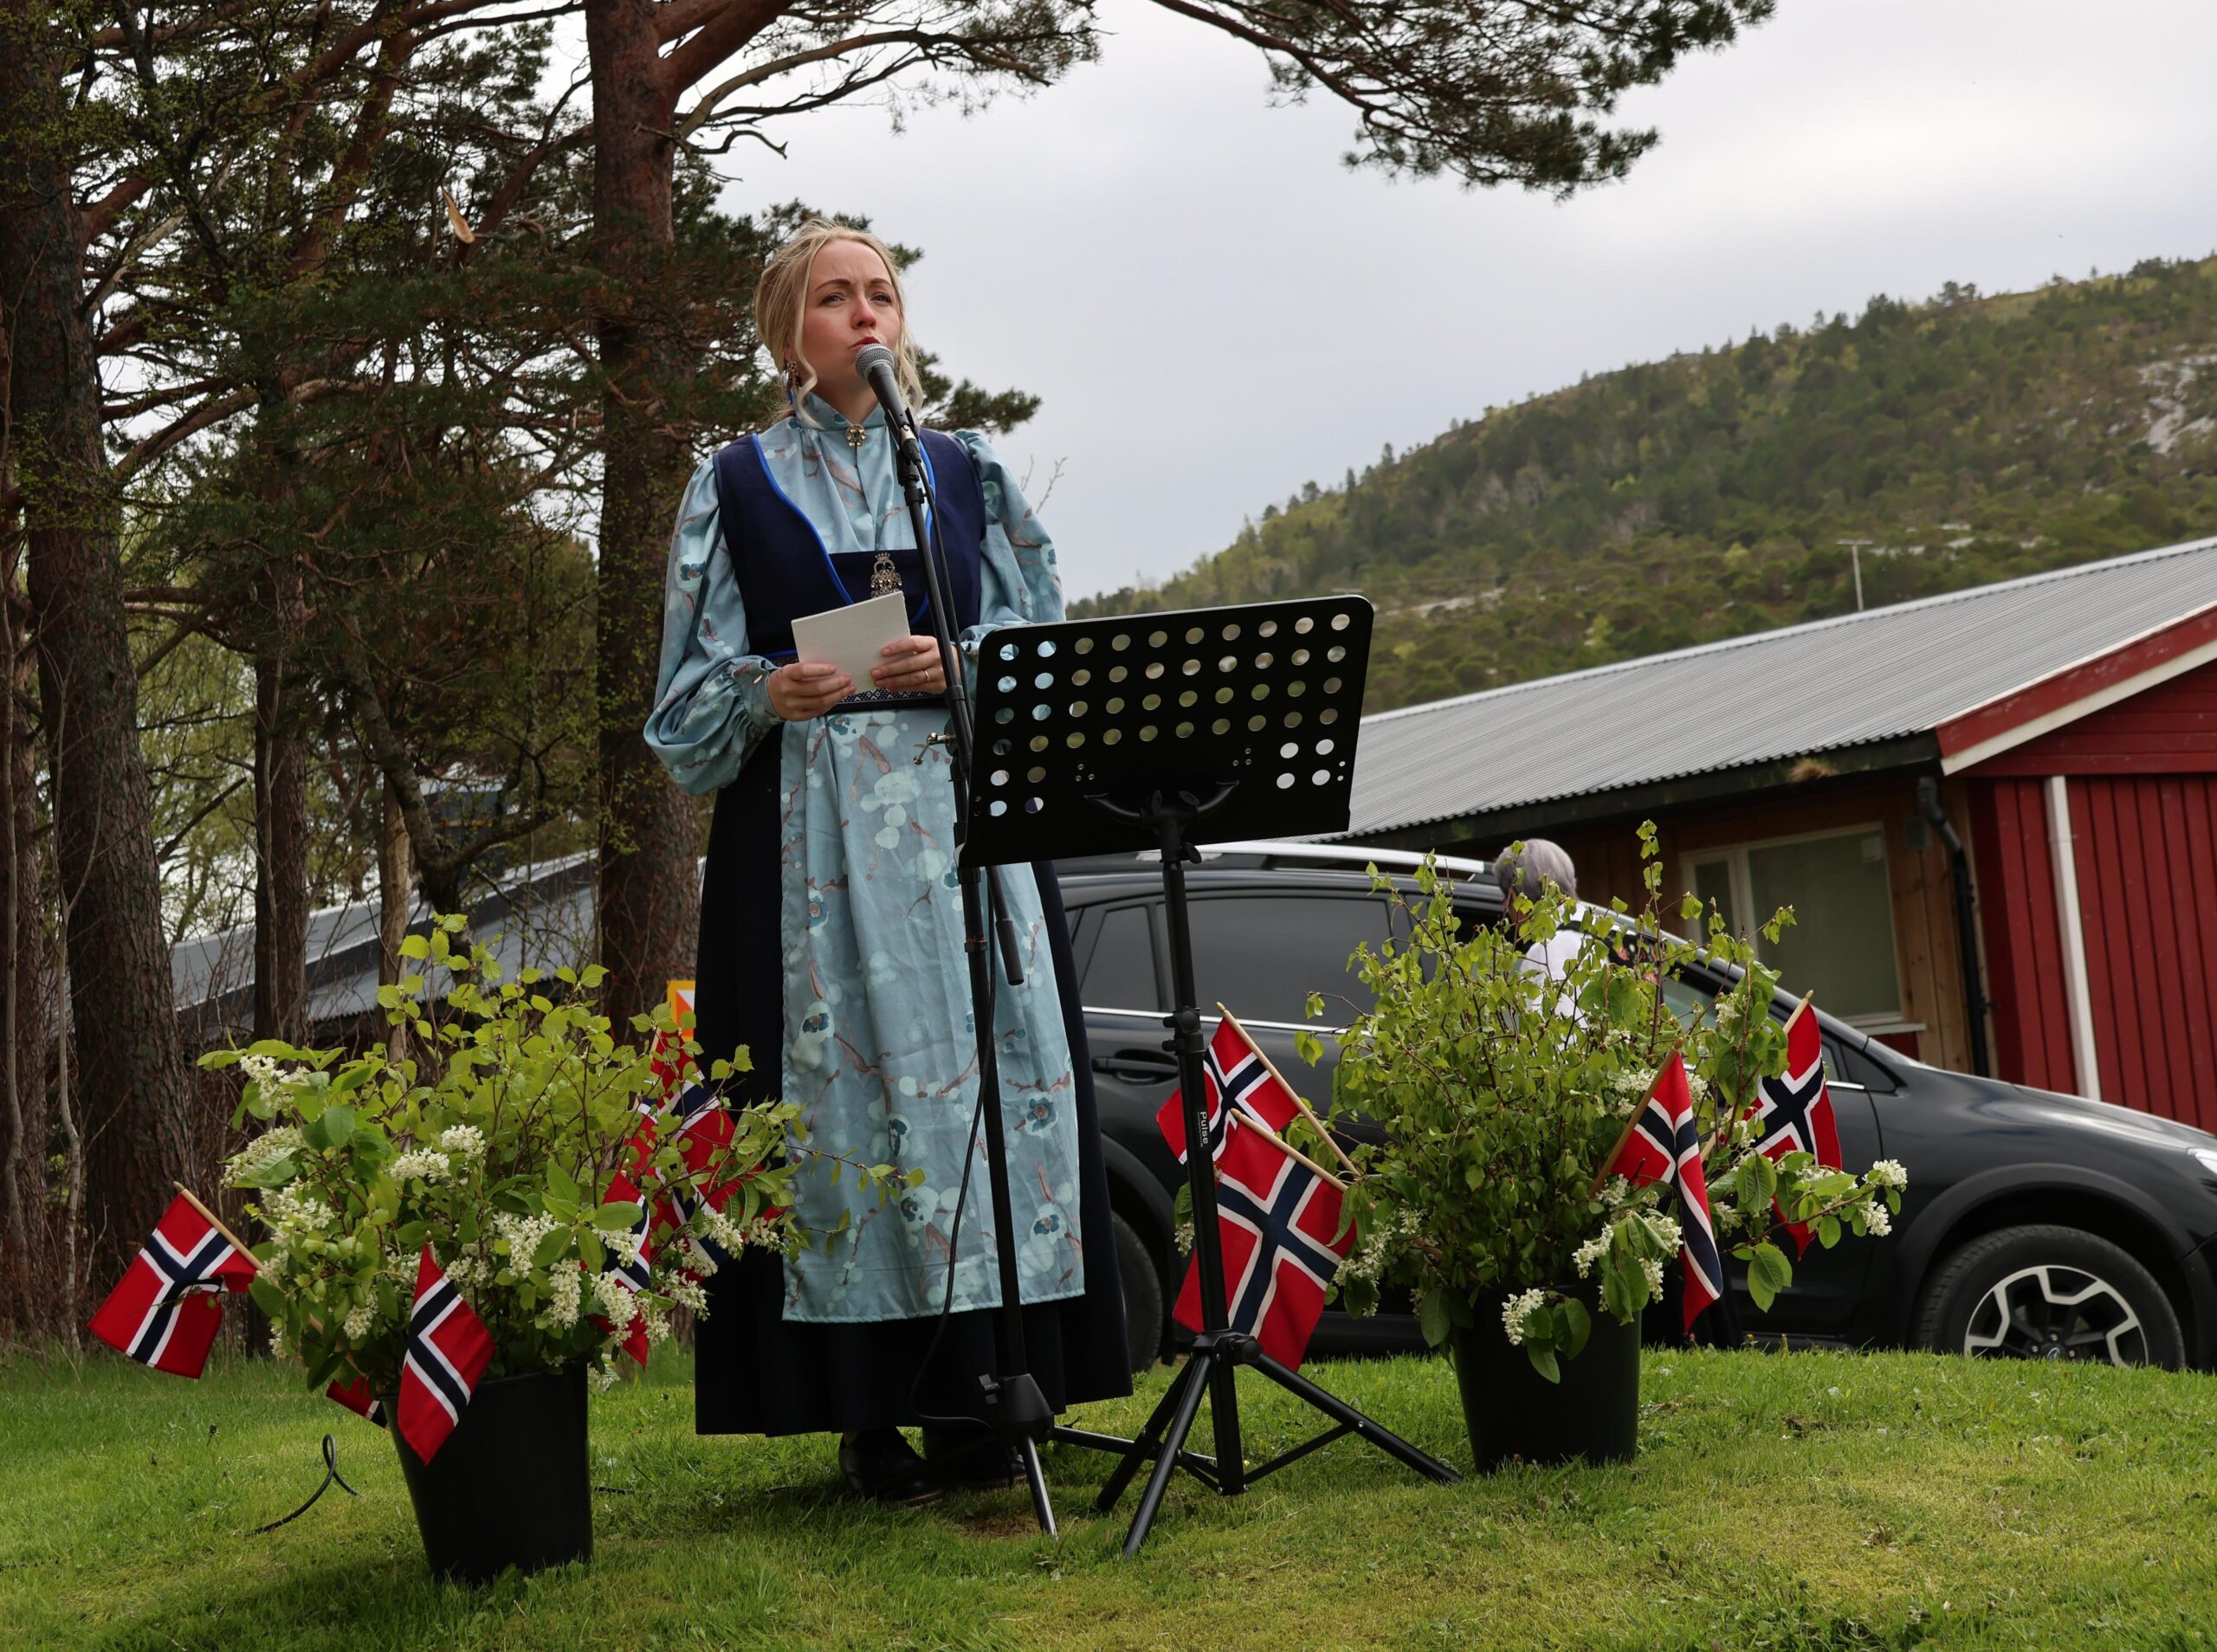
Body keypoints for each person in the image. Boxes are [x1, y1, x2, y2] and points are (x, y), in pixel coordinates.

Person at [644, 220, 1130, 1506]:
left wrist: (962, 662)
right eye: (835, 298)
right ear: (786, 333)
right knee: (851, 1114)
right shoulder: (733, 484)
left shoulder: (965, 473)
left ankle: (994, 1392)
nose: (867, 316)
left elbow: (1049, 650)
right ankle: (866, 1413)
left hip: (973, 850)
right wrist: (770, 686)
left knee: (985, 1092)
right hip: (817, 864)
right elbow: (681, 713)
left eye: (884, 295)